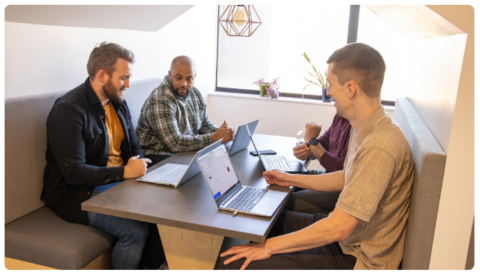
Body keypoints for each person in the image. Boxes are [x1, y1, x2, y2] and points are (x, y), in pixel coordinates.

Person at [216, 43, 415, 270]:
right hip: (346, 242)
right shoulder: (364, 129)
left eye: (330, 84)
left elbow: (339, 227)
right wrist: (289, 178)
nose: (328, 91)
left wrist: (269, 247)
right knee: (254, 224)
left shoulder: (380, 145)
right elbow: (345, 177)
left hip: (355, 257)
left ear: (350, 88)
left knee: (234, 263)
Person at [41, 42, 165, 269]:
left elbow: (134, 146)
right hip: (77, 193)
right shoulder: (69, 110)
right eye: (123, 78)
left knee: (163, 206)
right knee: (134, 231)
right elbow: (73, 173)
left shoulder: (117, 102)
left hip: (116, 181)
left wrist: (136, 168)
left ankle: (151, 267)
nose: (127, 84)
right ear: (101, 74)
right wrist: (125, 173)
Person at [136, 56, 235, 167]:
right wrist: (214, 137)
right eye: (179, 78)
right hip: (158, 155)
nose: (184, 84)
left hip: (184, 151)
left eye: (189, 79)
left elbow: (205, 125)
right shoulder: (160, 99)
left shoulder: (195, 93)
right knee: (208, 163)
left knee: (226, 151)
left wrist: (224, 133)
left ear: (194, 77)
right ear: (170, 75)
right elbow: (175, 143)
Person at [286, 115, 351, 214]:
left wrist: (311, 141)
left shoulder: (356, 125)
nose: (333, 101)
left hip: (342, 190)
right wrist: (307, 151)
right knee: (284, 179)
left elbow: (340, 170)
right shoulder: (340, 116)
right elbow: (323, 143)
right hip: (330, 176)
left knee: (285, 202)